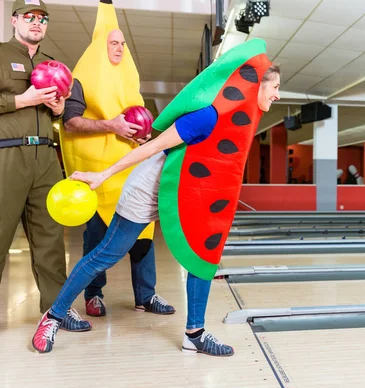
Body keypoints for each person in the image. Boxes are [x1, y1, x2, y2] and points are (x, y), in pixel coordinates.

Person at [32, 39, 281, 354]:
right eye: (274, 87)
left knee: (203, 257)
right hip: (148, 190)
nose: (277, 94)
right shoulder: (208, 116)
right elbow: (153, 147)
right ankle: (55, 314)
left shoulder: (239, 123)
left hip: (188, 194)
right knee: (108, 254)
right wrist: (102, 175)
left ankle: (195, 334)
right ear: (255, 85)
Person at [59, 0, 174, 317]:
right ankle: (93, 295)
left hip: (130, 172)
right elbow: (71, 122)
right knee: (97, 239)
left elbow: (137, 125)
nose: (120, 48)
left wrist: (142, 134)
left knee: (143, 237)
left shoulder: (129, 81)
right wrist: (112, 125)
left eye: (123, 43)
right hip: (98, 175)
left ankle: (146, 296)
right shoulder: (79, 79)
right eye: (113, 43)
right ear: (100, 45)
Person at [0, 0, 90, 332]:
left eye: (43, 18)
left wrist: (57, 106)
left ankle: (57, 309)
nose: (37, 22)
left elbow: (58, 114)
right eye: (30, 17)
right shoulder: (0, 55)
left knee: (51, 237)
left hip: (46, 158)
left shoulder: (53, 64)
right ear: (14, 21)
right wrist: (21, 100)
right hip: (7, 156)